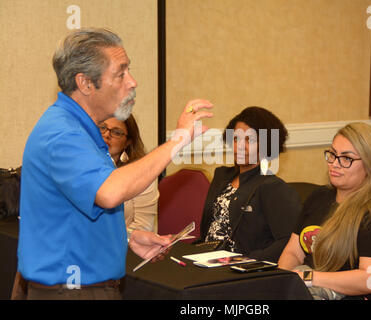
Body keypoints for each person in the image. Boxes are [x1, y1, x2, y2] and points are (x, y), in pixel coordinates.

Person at [17, 28, 213, 300]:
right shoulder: (64, 134)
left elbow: (77, 212)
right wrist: (178, 141)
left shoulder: (82, 129)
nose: (132, 82)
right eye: (120, 74)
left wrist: (128, 238)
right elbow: (109, 193)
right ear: (85, 83)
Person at [278, 122, 371, 300]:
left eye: (346, 158)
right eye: (332, 154)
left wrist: (308, 278)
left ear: (369, 164)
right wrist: (281, 281)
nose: (335, 164)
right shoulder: (319, 197)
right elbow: (293, 252)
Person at [197, 107, 303, 263]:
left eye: (250, 140)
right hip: (204, 259)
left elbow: (289, 242)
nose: (240, 145)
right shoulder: (222, 176)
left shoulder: (273, 187)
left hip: (239, 271)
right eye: (236, 138)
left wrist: (247, 260)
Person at [99, 115, 158, 232]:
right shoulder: (79, 166)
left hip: (125, 247)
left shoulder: (141, 174)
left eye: (116, 132)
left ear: (127, 142)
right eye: (102, 128)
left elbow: (144, 227)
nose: (106, 135)